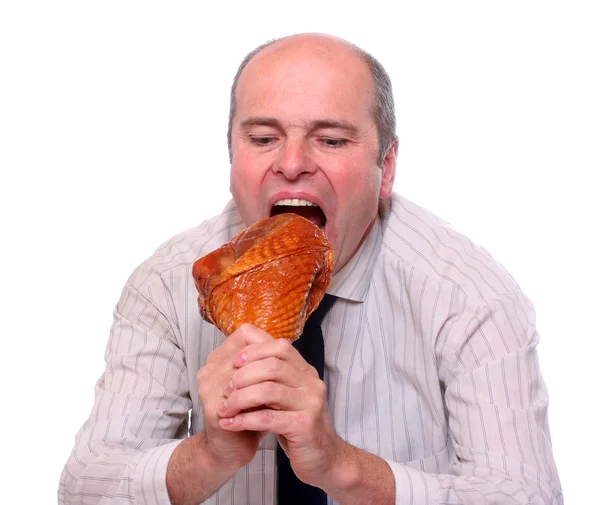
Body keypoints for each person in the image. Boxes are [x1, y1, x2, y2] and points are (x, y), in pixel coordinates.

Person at [58, 33, 562, 505]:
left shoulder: (468, 295)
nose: (292, 163)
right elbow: (84, 487)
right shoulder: (170, 283)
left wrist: (341, 466)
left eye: (331, 140)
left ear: (385, 168)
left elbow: (525, 496)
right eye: (262, 138)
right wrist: (208, 455)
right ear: (232, 154)